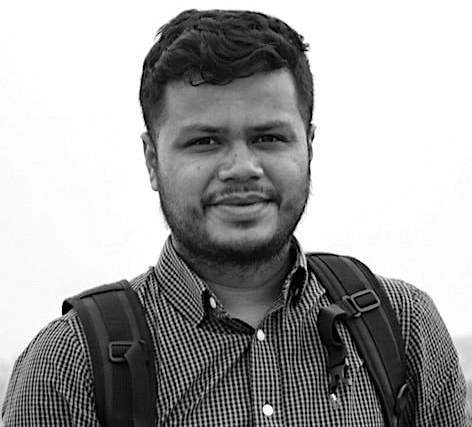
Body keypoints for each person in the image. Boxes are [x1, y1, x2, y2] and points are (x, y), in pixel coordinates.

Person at [2, 9, 471, 426]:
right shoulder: (70, 366)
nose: (242, 168)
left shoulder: (404, 327)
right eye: (205, 142)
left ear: (309, 146)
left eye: (269, 138)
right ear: (152, 160)